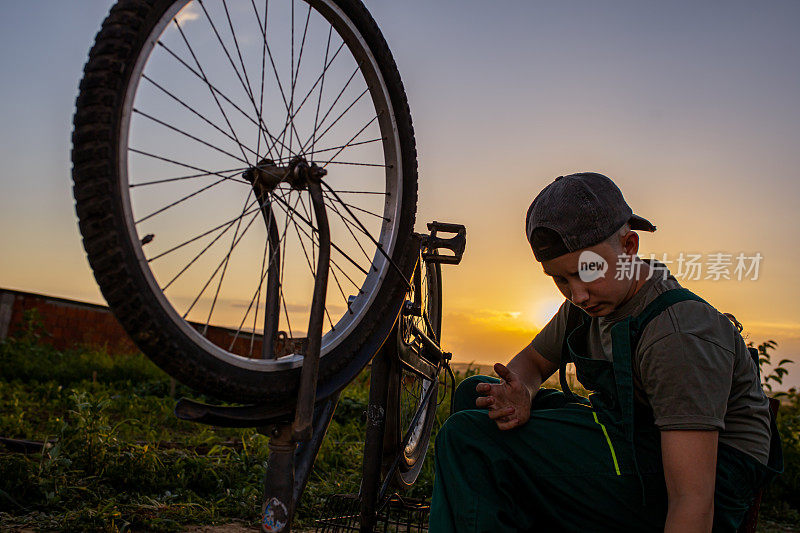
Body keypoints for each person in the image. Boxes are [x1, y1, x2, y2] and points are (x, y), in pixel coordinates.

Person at [429, 172, 782, 532]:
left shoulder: (676, 334)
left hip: (705, 479)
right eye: (561, 279)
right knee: (477, 396)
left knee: (467, 438)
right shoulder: (591, 303)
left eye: (588, 270)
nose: (577, 295)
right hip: (634, 440)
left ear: (629, 246)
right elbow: (532, 363)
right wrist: (521, 392)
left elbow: (692, 499)